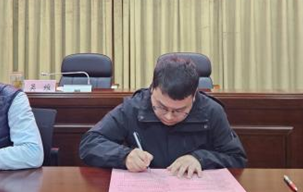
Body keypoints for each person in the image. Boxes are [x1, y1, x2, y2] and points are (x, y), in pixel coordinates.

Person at [79, 55, 247, 178]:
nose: (169, 117)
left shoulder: (211, 111)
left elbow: (236, 158)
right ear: (152, 89)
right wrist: (123, 156)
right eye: (161, 107)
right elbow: (89, 143)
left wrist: (200, 159)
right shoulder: (133, 108)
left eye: (179, 110)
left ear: (194, 96)